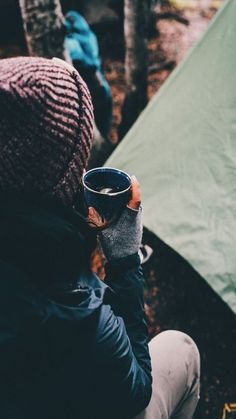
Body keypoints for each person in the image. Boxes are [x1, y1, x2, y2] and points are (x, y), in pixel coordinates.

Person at [0, 56, 200, 419]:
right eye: (78, 160)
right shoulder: (74, 313)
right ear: (59, 177)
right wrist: (125, 259)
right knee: (182, 349)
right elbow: (136, 391)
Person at [64, 11, 113, 139]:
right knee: (104, 117)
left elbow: (81, 61)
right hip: (101, 83)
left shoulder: (71, 41)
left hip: (91, 86)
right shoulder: (88, 35)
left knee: (96, 120)